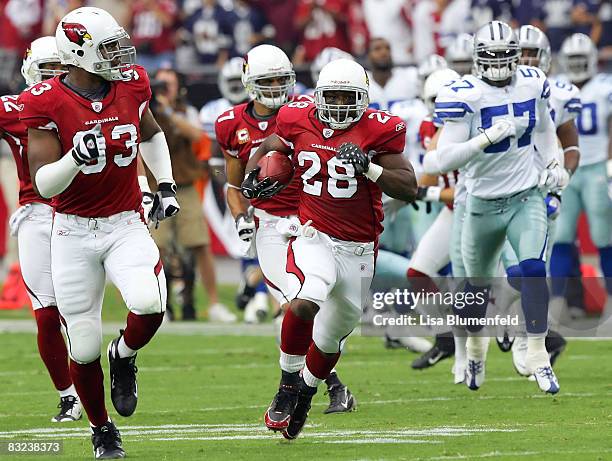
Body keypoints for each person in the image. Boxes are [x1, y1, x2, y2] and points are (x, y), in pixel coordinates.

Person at [19, 7, 179, 459]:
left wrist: (163, 184)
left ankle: (124, 355)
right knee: (83, 345)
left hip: (125, 221)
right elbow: (43, 182)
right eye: (106, 48)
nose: (118, 56)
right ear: (77, 51)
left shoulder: (131, 83)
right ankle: (101, 429)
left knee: (149, 303)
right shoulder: (47, 100)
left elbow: (150, 133)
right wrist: (73, 158)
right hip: (71, 230)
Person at [243, 58, 417, 439]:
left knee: (329, 339)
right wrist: (254, 174)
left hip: (358, 249)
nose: (338, 105)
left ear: (363, 99)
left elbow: (409, 186)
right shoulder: (296, 116)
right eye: (331, 96)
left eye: (346, 97)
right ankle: (287, 386)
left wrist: (369, 169)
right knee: (305, 300)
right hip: (313, 235)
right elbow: (273, 144)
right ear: (318, 96)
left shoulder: (379, 129)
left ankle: (305, 392)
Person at [426, 21, 568, 394]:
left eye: (506, 56)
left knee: (535, 268)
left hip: (525, 195)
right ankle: (475, 346)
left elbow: (545, 131)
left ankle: (537, 352)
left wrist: (556, 165)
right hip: (481, 204)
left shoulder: (533, 81)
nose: (499, 64)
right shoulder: (464, 94)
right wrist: (483, 139)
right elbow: (442, 159)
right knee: (476, 288)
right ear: (477, 59)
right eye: (491, 57)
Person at [216, 43, 356, 414]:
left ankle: (321, 386)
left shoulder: (309, 110)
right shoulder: (230, 124)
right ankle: (326, 386)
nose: (277, 86)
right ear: (248, 81)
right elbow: (233, 186)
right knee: (298, 303)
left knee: (321, 307)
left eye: (282, 79)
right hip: (272, 225)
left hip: (314, 220)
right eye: (268, 80)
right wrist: (241, 218)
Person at [0, 36, 81, 423]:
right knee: (46, 314)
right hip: (36, 213)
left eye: (60, 71)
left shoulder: (83, 104)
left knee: (78, 312)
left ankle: (114, 365)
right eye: (46, 70)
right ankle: (68, 396)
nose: (53, 78)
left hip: (82, 213)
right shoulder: (12, 109)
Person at [150, 66, 234, 322]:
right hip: (155, 188)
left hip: (184, 186)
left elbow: (197, 135)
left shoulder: (186, 112)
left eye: (169, 84)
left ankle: (214, 303)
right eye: (160, 85)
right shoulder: (146, 113)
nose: (165, 90)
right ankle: (159, 306)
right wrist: (156, 110)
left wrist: (167, 112)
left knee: (200, 243)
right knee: (157, 248)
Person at [551, 33, 612, 317]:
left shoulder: (605, 85)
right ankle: (558, 302)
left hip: (598, 165)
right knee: (560, 235)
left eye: (580, 59)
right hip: (566, 169)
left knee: (603, 235)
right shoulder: (555, 88)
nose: (576, 65)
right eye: (571, 59)